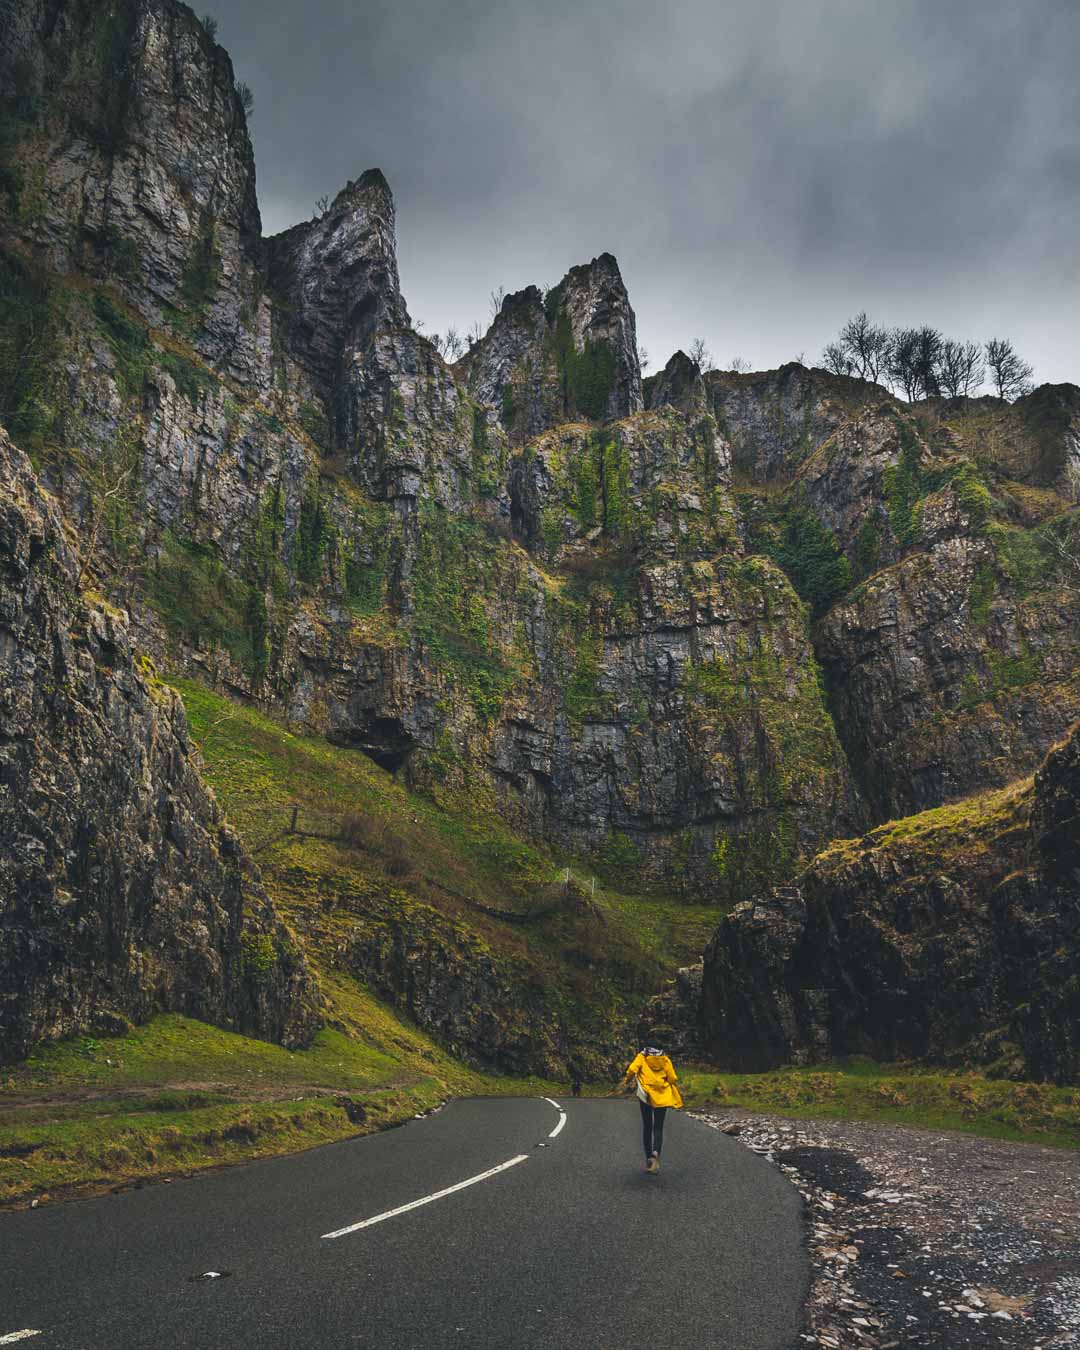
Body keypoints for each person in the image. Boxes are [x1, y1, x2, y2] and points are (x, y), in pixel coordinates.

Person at [615, 1038, 683, 1174]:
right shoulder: (665, 1058)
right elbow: (673, 1078)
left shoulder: (642, 1056)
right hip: (662, 1096)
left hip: (646, 1095)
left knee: (647, 1126)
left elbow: (631, 1069)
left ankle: (648, 1159)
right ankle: (656, 1152)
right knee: (658, 1127)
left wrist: (627, 1080)